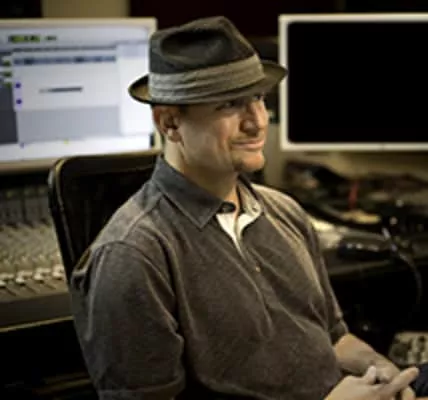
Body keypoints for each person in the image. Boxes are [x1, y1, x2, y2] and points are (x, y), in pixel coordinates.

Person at [69, 16, 424, 400]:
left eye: (259, 98)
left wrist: (382, 370)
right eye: (230, 104)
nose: (257, 122)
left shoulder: (285, 211)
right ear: (170, 123)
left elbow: (333, 338)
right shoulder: (132, 255)